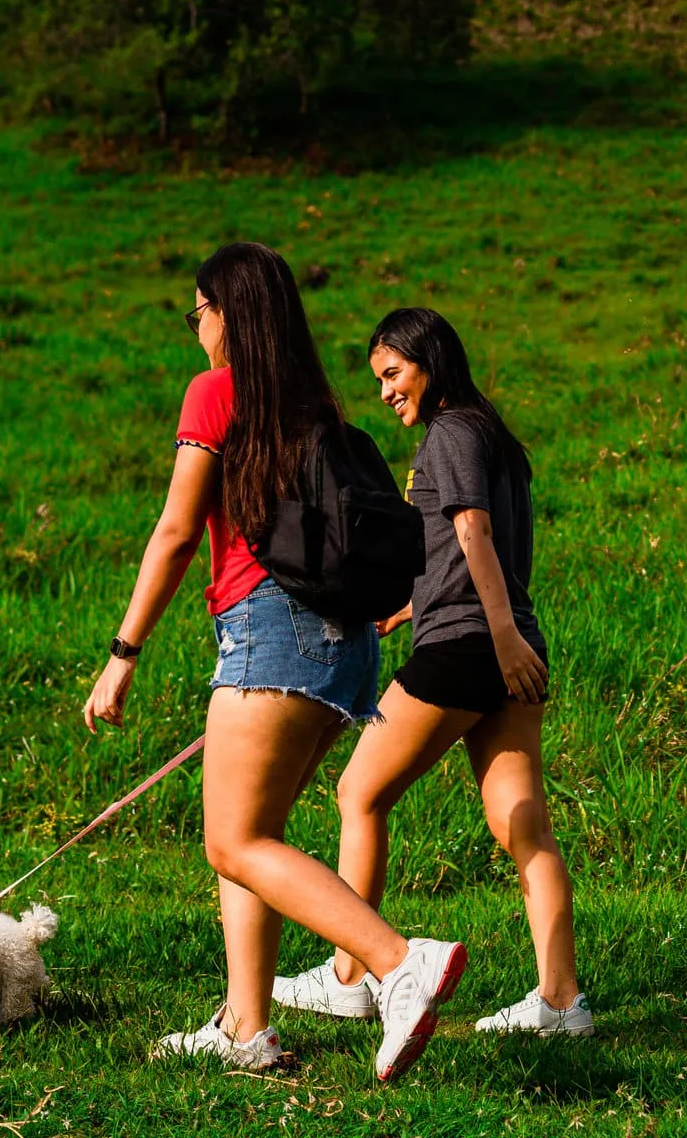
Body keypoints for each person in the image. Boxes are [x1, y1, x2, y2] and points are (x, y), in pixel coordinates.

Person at [80, 244, 465, 1080]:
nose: (196, 330)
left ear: (228, 312)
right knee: (254, 836)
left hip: (272, 630)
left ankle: (400, 962)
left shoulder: (218, 393)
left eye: (199, 312)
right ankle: (246, 1028)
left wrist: (123, 653)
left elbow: (179, 530)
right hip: (345, 647)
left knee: (235, 839)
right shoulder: (314, 406)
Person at [271, 307, 591, 1036]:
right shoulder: (494, 440)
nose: (385, 392)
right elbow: (473, 547)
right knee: (524, 827)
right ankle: (562, 1003)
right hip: (504, 646)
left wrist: (497, 635)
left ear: (429, 362)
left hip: (474, 647)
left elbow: (473, 532)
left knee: (359, 791)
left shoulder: (449, 435)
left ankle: (351, 976)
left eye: (393, 374)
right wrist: (412, 606)